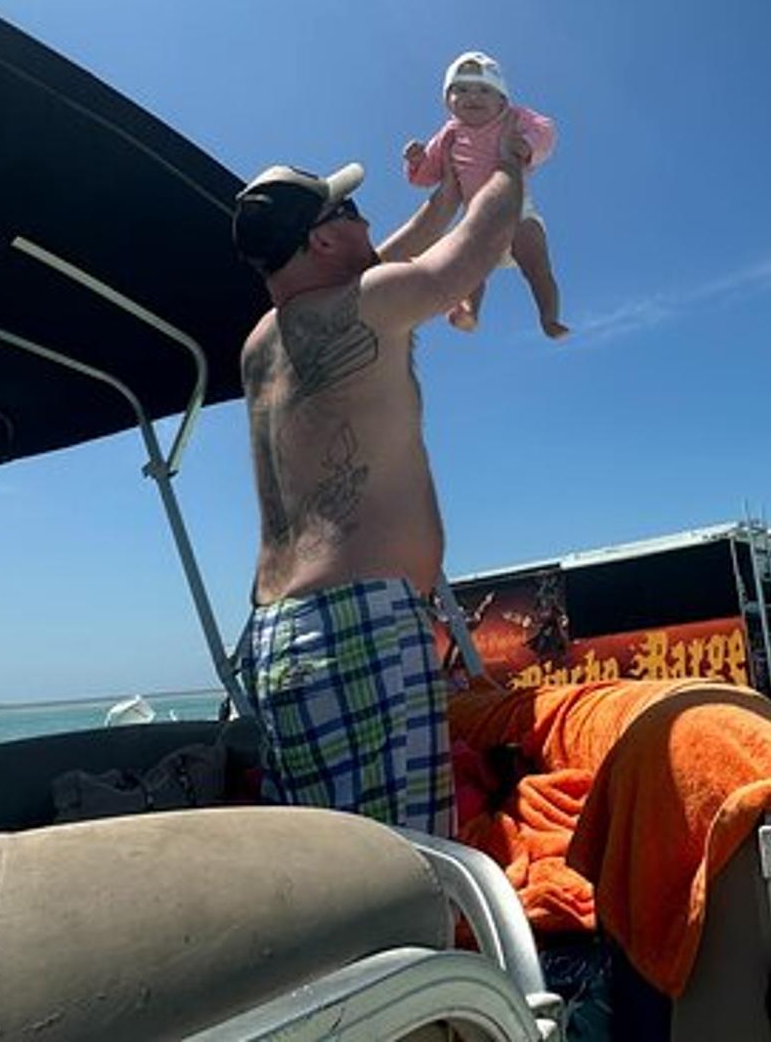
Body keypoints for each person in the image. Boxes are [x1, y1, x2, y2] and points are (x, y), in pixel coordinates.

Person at [232, 136, 527, 836]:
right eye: (353, 211)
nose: (368, 224)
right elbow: (473, 253)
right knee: (400, 872)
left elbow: (376, 269)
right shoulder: (366, 303)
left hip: (278, 635)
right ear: (324, 238)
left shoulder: (261, 343)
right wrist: (512, 164)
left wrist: (444, 197)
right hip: (356, 628)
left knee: (331, 872)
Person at [402, 51, 568, 338]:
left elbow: (546, 132)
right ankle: (469, 311)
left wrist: (527, 145)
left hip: (516, 211)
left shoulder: (513, 117)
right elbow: (428, 175)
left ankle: (549, 317)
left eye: (484, 90)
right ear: (448, 102)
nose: (473, 97)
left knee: (535, 261)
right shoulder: (449, 135)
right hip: (476, 220)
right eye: (461, 90)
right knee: (465, 266)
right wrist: (417, 161)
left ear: (502, 99)